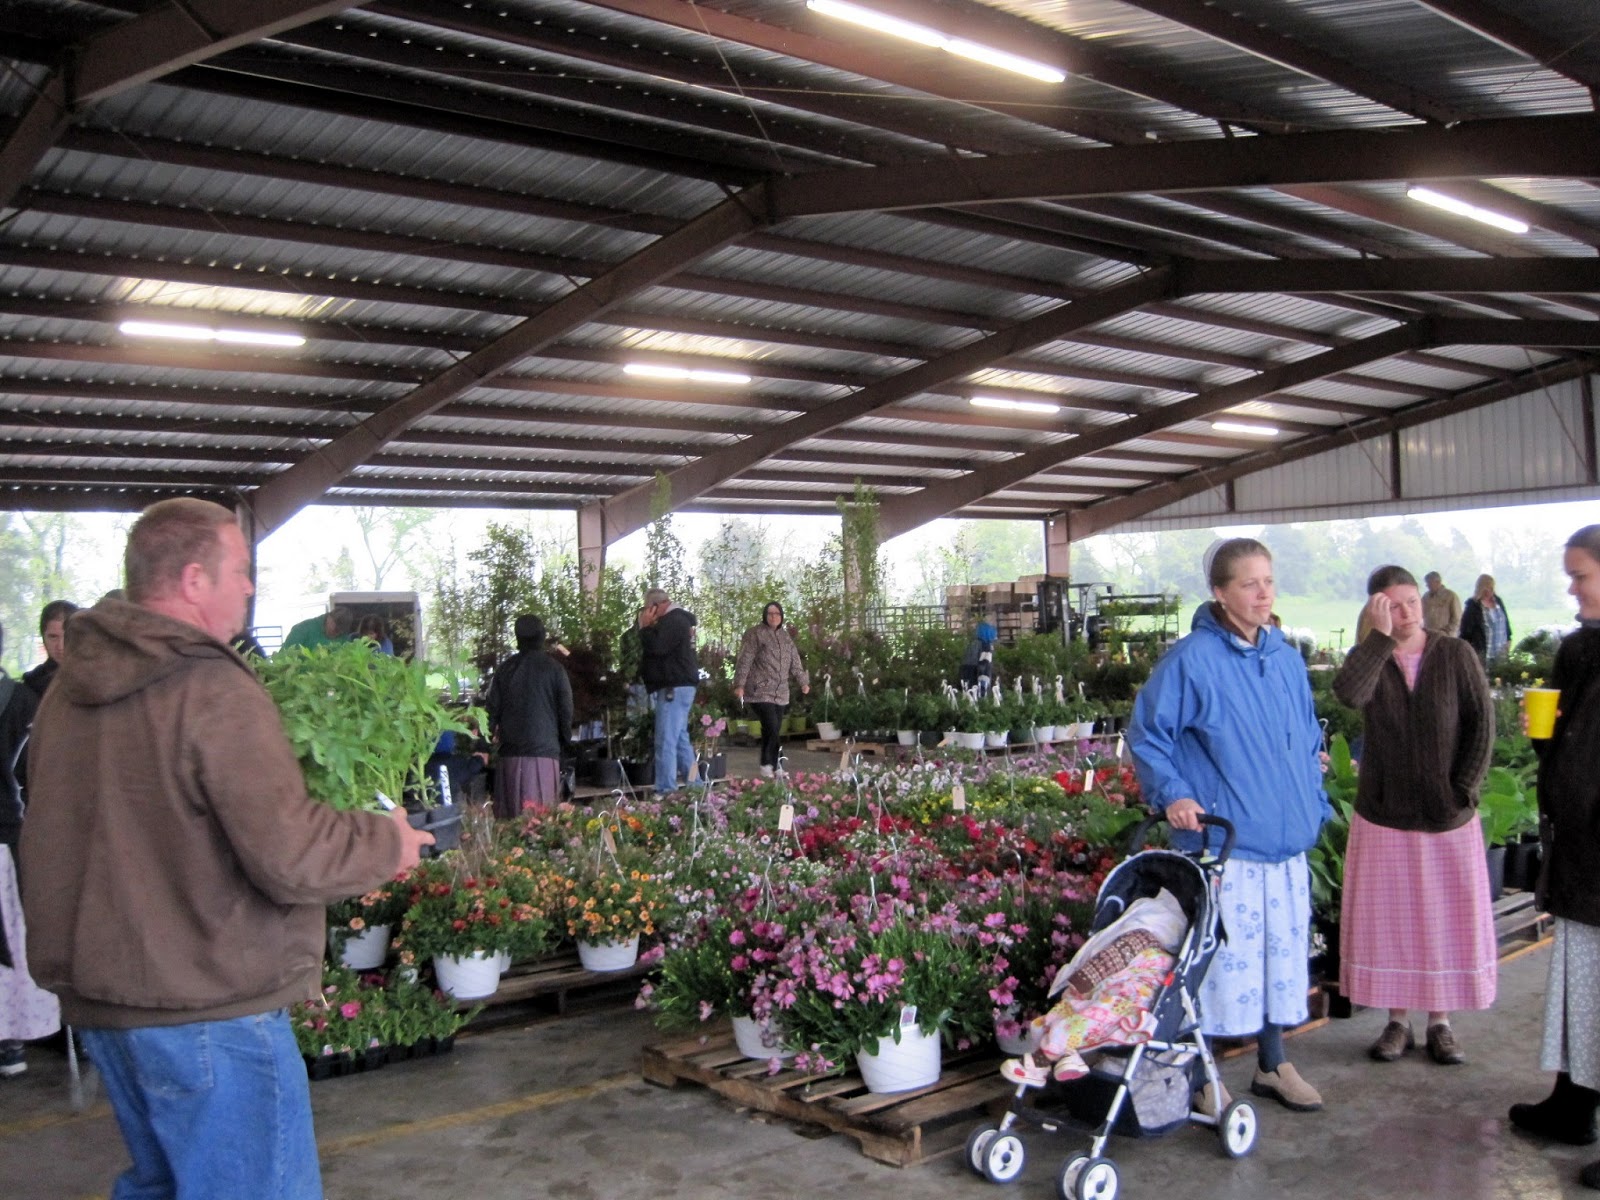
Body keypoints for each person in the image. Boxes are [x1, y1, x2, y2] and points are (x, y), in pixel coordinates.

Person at [20, 498, 434, 1200]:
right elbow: (289, 852)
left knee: (160, 1184)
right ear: (192, 580)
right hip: (206, 1004)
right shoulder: (207, 686)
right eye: (239, 572)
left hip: (105, 1001)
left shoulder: (69, 690)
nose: (249, 587)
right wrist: (384, 841)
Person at [1128, 537, 1330, 1114]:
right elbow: (1148, 736)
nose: (1263, 592)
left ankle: (1273, 1065)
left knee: (1275, 959)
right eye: (1249, 583)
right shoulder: (1191, 660)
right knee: (1217, 970)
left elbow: (1308, 734)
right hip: (1228, 847)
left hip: (1286, 845)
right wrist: (1175, 794)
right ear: (1220, 593)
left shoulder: (1285, 658)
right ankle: (1199, 1080)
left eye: (1268, 580)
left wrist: (1311, 783)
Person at [1333, 565, 1495, 1067]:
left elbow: (1480, 726)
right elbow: (1348, 694)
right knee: (1391, 923)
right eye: (1393, 604)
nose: (1406, 612)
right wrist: (1378, 640)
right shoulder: (1371, 659)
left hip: (1446, 814)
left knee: (1445, 919)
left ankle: (1440, 1022)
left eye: (1411, 601)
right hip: (1384, 813)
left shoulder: (1455, 654)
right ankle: (1397, 1021)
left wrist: (1462, 791)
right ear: (1377, 608)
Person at [1508, 525, 1600, 1190]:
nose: (1571, 588)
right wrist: (1543, 745)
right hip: (1579, 848)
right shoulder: (1580, 649)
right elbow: (1570, 749)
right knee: (1580, 978)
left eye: (1582, 576)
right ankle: (1574, 1102)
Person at [0, 618, 58, 1079]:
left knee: (12, 938)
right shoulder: (24, 694)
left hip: (6, 834)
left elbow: (31, 774)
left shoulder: (19, 700)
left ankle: (11, 1037)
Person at [483, 614, 572, 818]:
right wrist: (564, 745)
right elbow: (566, 712)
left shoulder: (504, 670)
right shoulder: (555, 669)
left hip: (510, 755)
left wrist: (483, 747)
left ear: (518, 638)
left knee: (509, 820)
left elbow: (490, 712)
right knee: (541, 819)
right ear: (542, 636)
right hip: (545, 753)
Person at [733, 601, 810, 779]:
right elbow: (745, 659)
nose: (773, 617)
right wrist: (740, 684)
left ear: (781, 616)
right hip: (760, 689)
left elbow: (795, 662)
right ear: (765, 616)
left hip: (781, 691)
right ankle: (769, 763)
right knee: (771, 726)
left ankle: (775, 766)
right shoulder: (755, 634)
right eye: (770, 614)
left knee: (773, 729)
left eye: (777, 614)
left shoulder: (785, 637)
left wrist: (803, 682)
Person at [638, 587, 698, 795]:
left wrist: (645, 628)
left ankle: (665, 790)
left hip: (674, 687)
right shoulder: (681, 621)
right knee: (681, 741)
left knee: (665, 740)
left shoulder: (673, 621)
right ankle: (695, 784)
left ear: (656, 606)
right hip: (682, 687)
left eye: (648, 609)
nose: (646, 613)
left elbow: (656, 647)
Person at [22, 599, 77, 700]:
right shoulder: (32, 684)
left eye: (68, 636)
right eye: (53, 637)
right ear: (43, 638)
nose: (60, 646)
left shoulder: (97, 679)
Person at [1460, 573, 1513, 665]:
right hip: (1481, 652)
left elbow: (1506, 624)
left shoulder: (1498, 601)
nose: (1491, 590)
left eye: (1492, 587)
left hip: (1500, 651)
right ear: (1481, 588)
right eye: (1488, 588)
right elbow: (1465, 631)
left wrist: (1509, 639)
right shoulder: (1473, 605)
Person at [277, 605, 354, 655]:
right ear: (329, 618)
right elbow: (284, 656)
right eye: (335, 627)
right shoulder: (302, 629)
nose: (335, 633)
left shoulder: (344, 638)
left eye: (339, 631)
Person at [959, 620, 999, 697]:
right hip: (975, 673)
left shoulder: (972, 644)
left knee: (967, 695)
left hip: (964, 672)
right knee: (976, 697)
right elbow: (984, 666)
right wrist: (983, 687)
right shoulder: (986, 646)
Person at [1422, 571, 1463, 637]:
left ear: (1438, 582)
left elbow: (1457, 618)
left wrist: (1446, 631)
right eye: (1427, 583)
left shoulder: (1451, 596)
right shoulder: (1425, 597)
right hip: (1429, 636)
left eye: (1429, 583)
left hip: (1446, 636)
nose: (1427, 586)